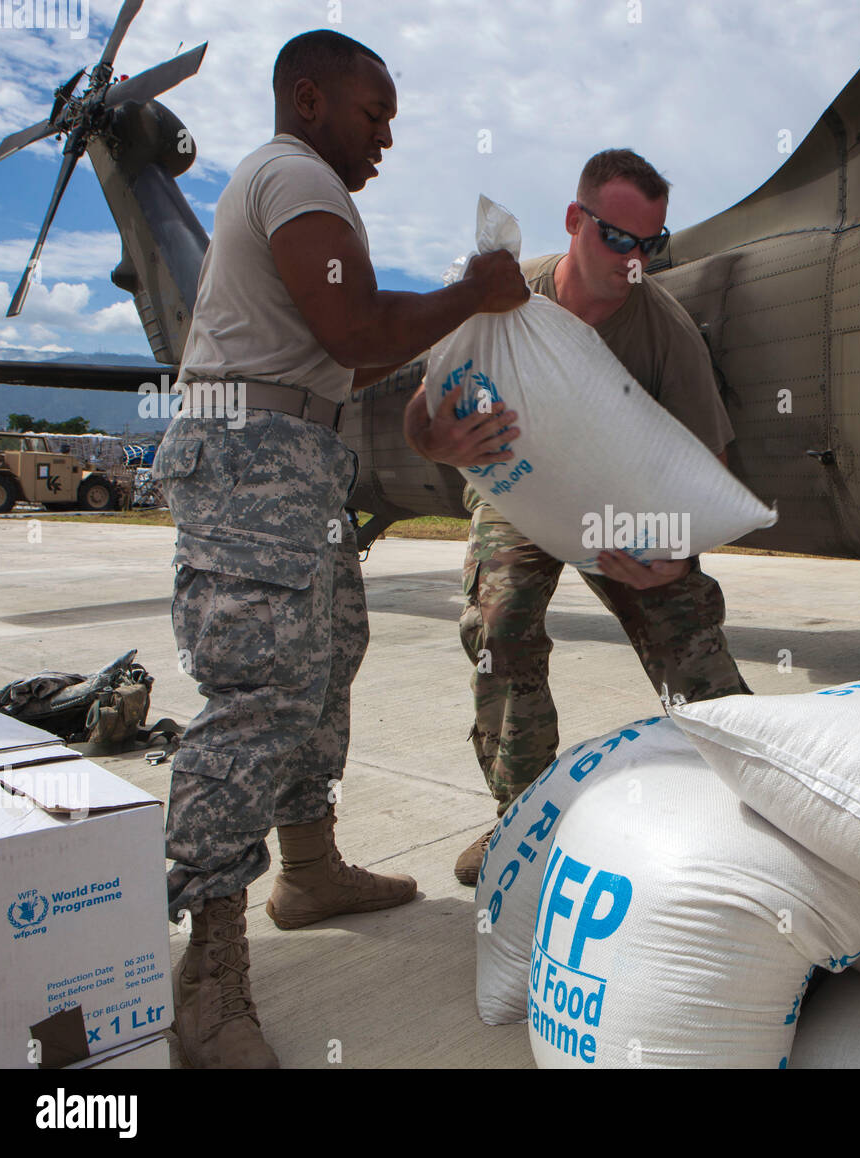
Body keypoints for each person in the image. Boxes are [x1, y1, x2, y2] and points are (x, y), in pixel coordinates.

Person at [153, 29, 528, 1068]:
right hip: (250, 456)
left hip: (296, 455)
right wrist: (473, 290)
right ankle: (210, 973)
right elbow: (359, 329)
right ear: (309, 100)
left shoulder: (309, 185)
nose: (387, 140)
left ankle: (308, 868)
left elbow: (344, 353)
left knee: (323, 666)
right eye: (376, 116)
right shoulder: (292, 174)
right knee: (259, 695)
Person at [414, 149, 749, 884]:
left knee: (690, 633)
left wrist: (679, 557)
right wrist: (439, 439)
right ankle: (524, 824)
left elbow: (712, 472)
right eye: (617, 239)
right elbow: (421, 417)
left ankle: (757, 815)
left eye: (650, 245)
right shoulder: (506, 296)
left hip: (622, 510)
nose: (633, 262)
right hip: (521, 494)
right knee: (498, 629)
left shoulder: (665, 331)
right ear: (574, 220)